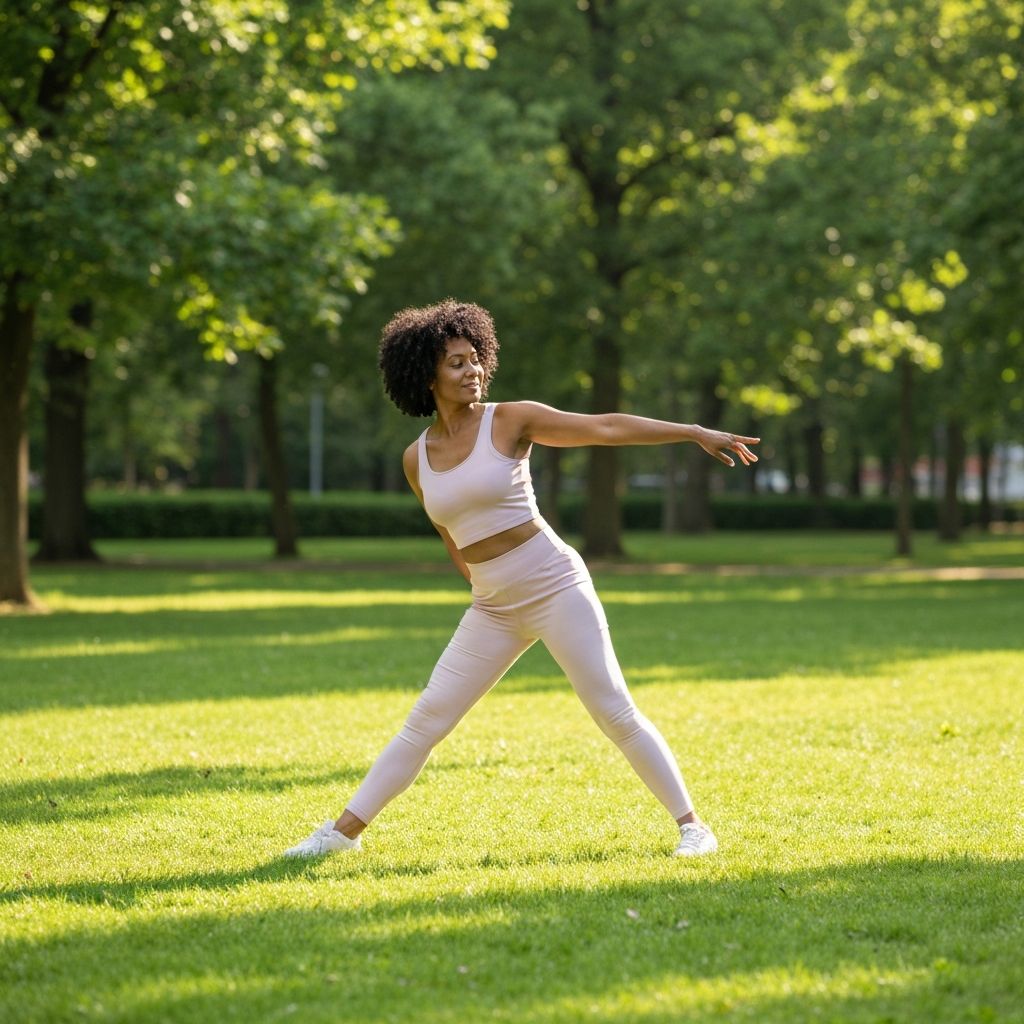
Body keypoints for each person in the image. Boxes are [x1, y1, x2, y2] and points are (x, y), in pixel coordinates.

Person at [284, 300, 758, 860]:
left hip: (554, 582)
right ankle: (340, 835)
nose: (473, 371)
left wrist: (692, 432)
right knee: (427, 720)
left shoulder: (509, 420)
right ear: (425, 374)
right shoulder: (416, 459)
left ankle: (693, 828)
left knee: (612, 707)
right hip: (492, 606)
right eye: (456, 363)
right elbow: (452, 537)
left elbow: (604, 427)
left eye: (476, 359)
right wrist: (485, 591)